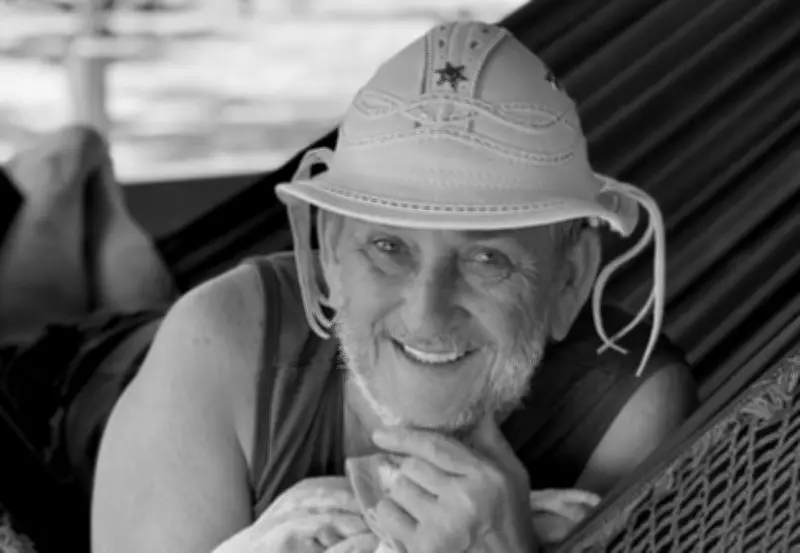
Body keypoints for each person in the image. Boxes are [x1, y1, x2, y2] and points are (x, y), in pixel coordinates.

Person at [0, 21, 699, 553]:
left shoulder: (628, 407)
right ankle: (69, 176)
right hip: (71, 401)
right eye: (389, 247)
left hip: (194, 353)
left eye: (487, 258)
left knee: (136, 287)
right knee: (40, 315)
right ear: (332, 252)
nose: (427, 314)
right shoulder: (216, 340)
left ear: (569, 281)